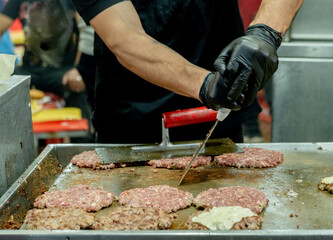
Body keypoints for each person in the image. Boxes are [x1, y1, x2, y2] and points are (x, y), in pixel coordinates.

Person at [69, 0, 303, 144]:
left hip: (218, 126)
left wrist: (265, 31)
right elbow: (124, 36)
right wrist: (206, 85)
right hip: (129, 124)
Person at [0, 0, 91, 138]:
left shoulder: (72, 2)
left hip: (64, 71)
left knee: (78, 86)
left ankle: (83, 147)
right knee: (6, 87)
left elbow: (87, 34)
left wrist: (78, 68)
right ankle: (9, 144)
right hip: (28, 70)